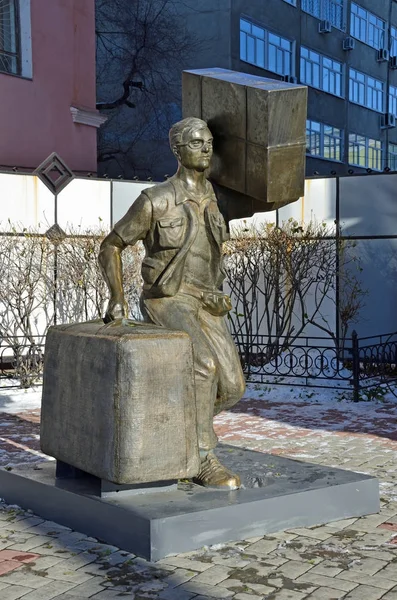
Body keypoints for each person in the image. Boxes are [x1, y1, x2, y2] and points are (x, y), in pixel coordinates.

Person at [98, 117, 246, 489]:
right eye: (197, 143)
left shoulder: (217, 197)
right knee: (203, 366)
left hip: (206, 301)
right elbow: (111, 246)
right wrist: (117, 297)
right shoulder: (156, 199)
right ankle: (199, 457)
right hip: (168, 299)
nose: (207, 148)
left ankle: (172, 430)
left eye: (209, 142)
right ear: (178, 151)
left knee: (232, 387)